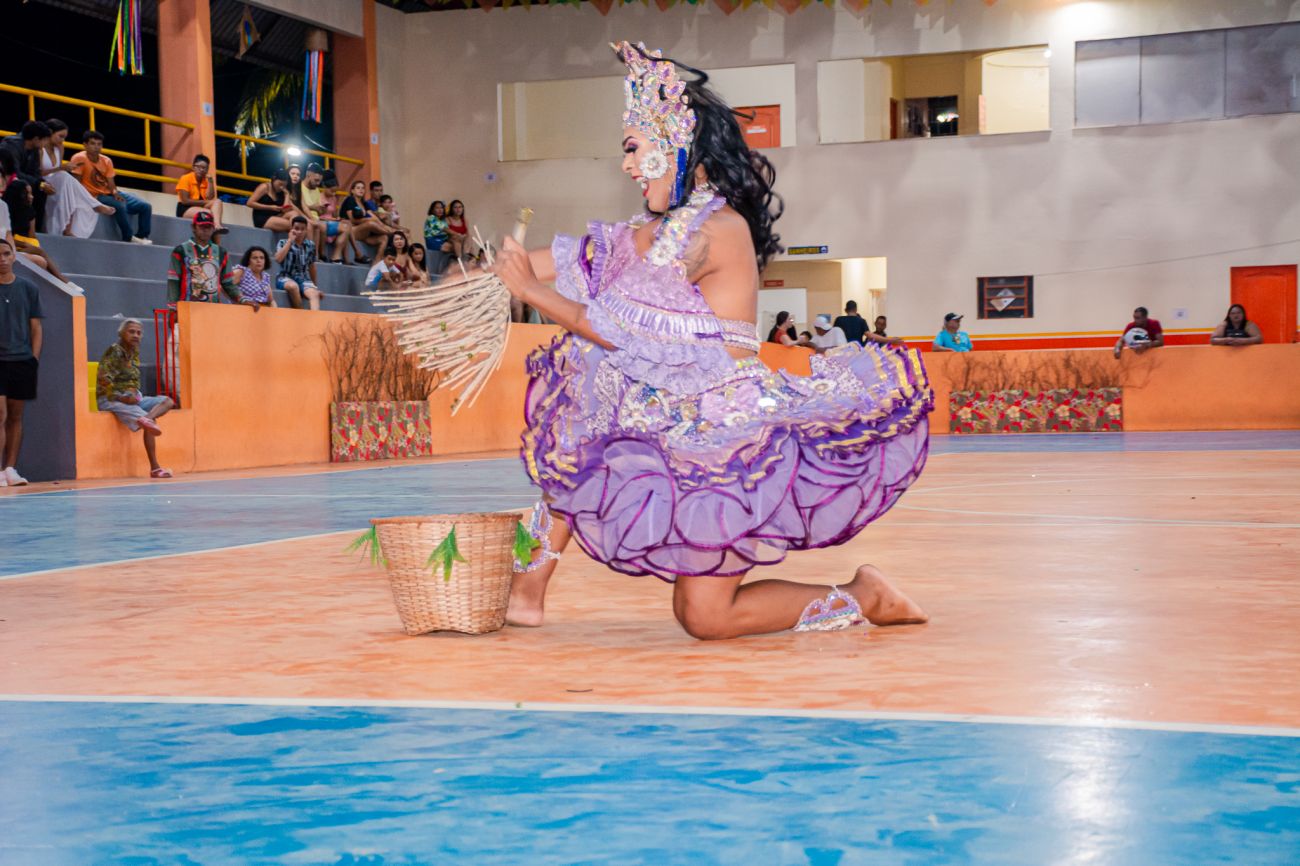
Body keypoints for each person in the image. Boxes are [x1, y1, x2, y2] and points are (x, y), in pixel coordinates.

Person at [491, 42, 932, 640]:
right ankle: (527, 588)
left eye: (633, 148)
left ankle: (863, 596)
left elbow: (625, 333)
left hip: (727, 437)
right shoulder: (642, 235)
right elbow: (547, 262)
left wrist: (529, 291)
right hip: (673, 417)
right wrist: (470, 281)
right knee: (587, 422)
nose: (625, 165)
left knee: (706, 616)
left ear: (679, 146)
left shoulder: (717, 231)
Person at [96, 319, 176, 478]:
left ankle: (147, 419)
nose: (135, 335)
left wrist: (135, 395)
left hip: (132, 398)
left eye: (139, 333)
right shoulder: (115, 351)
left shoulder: (134, 353)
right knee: (151, 424)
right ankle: (155, 468)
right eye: (131, 331)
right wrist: (121, 397)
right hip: (111, 399)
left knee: (167, 401)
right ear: (121, 333)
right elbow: (103, 380)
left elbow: (132, 381)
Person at [0, 238, 42, 487]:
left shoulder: (28, 288)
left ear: (14, 256)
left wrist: (33, 358)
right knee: (0, 413)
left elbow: (35, 327)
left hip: (22, 361)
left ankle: (10, 469)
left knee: (16, 416)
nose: (2, 259)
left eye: (7, 253)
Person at [68, 130, 153, 244]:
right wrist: (86, 200)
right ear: (85, 145)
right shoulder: (79, 158)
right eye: (93, 143)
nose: (96, 147)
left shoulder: (106, 160)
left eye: (99, 144)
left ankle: (142, 236)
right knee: (120, 206)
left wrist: (115, 193)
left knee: (145, 206)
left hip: (108, 193)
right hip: (94, 195)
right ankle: (128, 237)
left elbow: (111, 182)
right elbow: (76, 183)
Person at [40, 119, 114, 237]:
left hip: (57, 181)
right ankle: (94, 204)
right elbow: (38, 173)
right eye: (60, 136)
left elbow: (59, 169)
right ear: (50, 132)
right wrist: (60, 168)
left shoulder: (60, 147)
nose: (63, 140)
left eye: (64, 137)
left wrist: (65, 168)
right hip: (43, 181)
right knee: (64, 175)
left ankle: (67, 229)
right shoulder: (40, 149)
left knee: (68, 185)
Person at [0, 170, 73, 285]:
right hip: (10, 246)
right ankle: (61, 280)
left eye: (31, 193)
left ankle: (60, 281)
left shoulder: (29, 211)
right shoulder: (6, 208)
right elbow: (7, 235)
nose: (31, 197)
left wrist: (28, 245)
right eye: (27, 194)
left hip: (16, 247)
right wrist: (22, 244)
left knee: (39, 251)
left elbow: (32, 236)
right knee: (39, 255)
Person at [166, 211, 239, 305]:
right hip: (187, 307)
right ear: (193, 227)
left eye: (208, 227)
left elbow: (228, 283)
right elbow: (173, 281)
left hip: (213, 308)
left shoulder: (222, 252)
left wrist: (242, 299)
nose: (205, 230)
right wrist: (173, 306)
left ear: (213, 229)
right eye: (201, 226)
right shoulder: (180, 250)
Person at [0, 121, 54, 234]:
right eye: (44, 140)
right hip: (7, 180)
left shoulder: (34, 149)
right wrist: (38, 183)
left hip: (22, 181)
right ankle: (18, 230)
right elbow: (12, 172)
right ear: (36, 139)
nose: (45, 144)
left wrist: (42, 183)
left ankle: (35, 230)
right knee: (21, 187)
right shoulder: (10, 146)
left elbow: (36, 172)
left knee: (41, 189)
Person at [298, 163, 352, 263]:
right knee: (317, 225)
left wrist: (321, 210)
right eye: (316, 180)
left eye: (319, 181)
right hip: (307, 218)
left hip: (317, 219)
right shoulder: (299, 187)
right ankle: (315, 255)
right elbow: (302, 207)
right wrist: (314, 215)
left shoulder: (316, 190)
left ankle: (331, 256)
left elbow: (318, 213)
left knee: (346, 226)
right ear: (308, 175)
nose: (318, 183)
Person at [274, 216, 322, 311]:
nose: (299, 232)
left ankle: (315, 318)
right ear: (291, 229)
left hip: (304, 279)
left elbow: (312, 267)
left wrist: (315, 286)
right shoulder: (283, 242)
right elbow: (278, 259)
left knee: (314, 294)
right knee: (293, 286)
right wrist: (289, 241)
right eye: (296, 228)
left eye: (302, 229)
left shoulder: (310, 245)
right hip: (285, 277)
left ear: (306, 230)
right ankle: (301, 314)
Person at [341, 180, 391, 259]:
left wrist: (383, 225)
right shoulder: (350, 200)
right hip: (352, 230)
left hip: (364, 232)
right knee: (370, 223)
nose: (361, 190)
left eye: (363, 188)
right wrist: (368, 220)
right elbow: (352, 220)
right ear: (352, 190)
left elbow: (373, 217)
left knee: (384, 238)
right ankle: (392, 233)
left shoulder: (364, 203)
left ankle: (376, 262)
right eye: (358, 188)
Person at [175, 154, 225, 232]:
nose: (201, 170)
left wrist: (210, 181)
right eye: (199, 167)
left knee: (218, 201)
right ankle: (216, 229)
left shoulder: (205, 181)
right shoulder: (185, 178)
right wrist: (205, 202)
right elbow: (185, 201)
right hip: (185, 208)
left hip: (200, 207)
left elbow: (210, 197)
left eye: (204, 168)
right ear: (193, 167)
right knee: (209, 214)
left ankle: (218, 225)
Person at [246, 169, 299, 233]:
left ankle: (294, 236)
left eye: (284, 185)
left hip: (276, 216)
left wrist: (287, 195)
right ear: (274, 179)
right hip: (263, 218)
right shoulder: (265, 187)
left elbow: (285, 210)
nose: (281, 187)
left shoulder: (283, 191)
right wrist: (270, 207)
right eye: (280, 184)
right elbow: (249, 203)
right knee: (291, 225)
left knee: (295, 215)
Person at [231, 246, 276, 312]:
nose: (259, 260)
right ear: (248, 261)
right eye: (255, 258)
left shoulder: (266, 277)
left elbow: (271, 300)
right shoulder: (241, 271)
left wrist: (275, 312)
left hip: (264, 312)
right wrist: (239, 301)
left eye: (262, 258)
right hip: (244, 310)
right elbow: (225, 286)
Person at [423, 199, 453, 274]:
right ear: (432, 210)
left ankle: (460, 261)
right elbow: (444, 229)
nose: (440, 210)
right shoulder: (431, 217)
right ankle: (459, 262)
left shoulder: (443, 220)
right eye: (437, 208)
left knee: (457, 243)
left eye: (441, 208)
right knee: (454, 245)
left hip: (443, 241)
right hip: (433, 241)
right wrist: (457, 235)